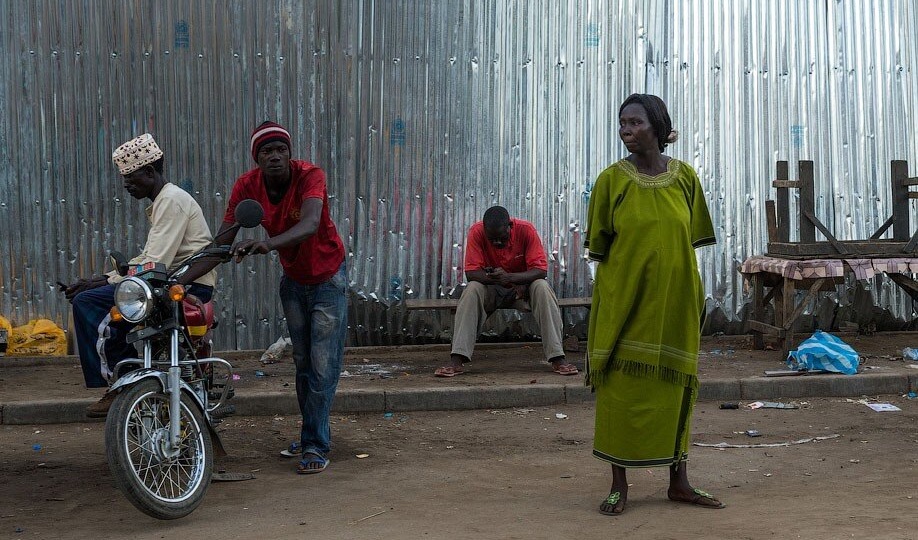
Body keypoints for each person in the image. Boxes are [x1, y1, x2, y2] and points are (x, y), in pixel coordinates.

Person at [584, 94, 723, 514]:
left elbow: (690, 240)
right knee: (621, 393)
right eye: (622, 123)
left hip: (675, 303)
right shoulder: (611, 181)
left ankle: (678, 482)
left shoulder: (685, 177)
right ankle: (618, 485)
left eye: (635, 123)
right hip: (627, 305)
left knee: (675, 391)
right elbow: (601, 249)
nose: (626, 131)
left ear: (657, 126)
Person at [218, 121, 347, 475]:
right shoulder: (247, 186)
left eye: (281, 150)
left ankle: (315, 444)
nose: (275, 156)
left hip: (327, 278)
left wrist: (266, 243)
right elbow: (223, 239)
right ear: (256, 157)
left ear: (290, 153)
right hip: (294, 280)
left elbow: (308, 225)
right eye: (266, 151)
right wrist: (185, 274)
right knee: (303, 363)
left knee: (323, 366)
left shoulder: (310, 176)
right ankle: (311, 436)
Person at [65, 134, 217, 417]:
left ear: (149, 172)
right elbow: (148, 261)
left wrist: (104, 280)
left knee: (87, 304)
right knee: (95, 296)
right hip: (168, 281)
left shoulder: (171, 201)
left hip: (184, 284)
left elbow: (154, 263)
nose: (126, 186)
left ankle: (122, 384)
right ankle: (133, 379)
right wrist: (103, 278)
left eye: (130, 179)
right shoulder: (164, 201)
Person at [434, 206, 579, 378]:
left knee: (542, 287)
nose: (497, 243)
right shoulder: (477, 232)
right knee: (472, 290)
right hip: (492, 289)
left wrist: (511, 278)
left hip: (523, 290)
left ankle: (558, 358)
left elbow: (540, 271)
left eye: (501, 238)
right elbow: (472, 273)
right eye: (492, 239)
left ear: (510, 226)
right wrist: (500, 280)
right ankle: (457, 360)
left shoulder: (526, 230)